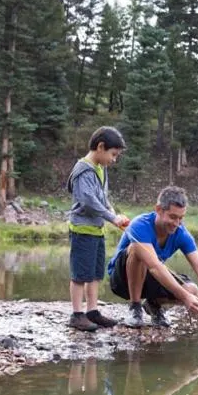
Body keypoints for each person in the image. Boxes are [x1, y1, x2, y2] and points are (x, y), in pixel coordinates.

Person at [107, 185, 198, 328]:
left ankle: (153, 304)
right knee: (138, 250)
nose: (176, 223)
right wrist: (185, 298)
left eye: (180, 218)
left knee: (192, 290)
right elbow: (154, 267)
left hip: (149, 278)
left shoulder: (181, 232)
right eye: (173, 217)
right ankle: (135, 308)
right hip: (121, 281)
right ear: (159, 210)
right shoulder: (140, 225)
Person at [66, 126, 131, 331]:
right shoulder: (83, 170)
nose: (114, 159)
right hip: (82, 230)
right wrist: (112, 218)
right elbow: (88, 201)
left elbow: (102, 199)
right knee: (80, 274)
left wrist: (115, 215)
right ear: (101, 147)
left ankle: (92, 311)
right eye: (113, 154)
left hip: (96, 230)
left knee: (95, 273)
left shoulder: (100, 169)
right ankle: (77, 315)